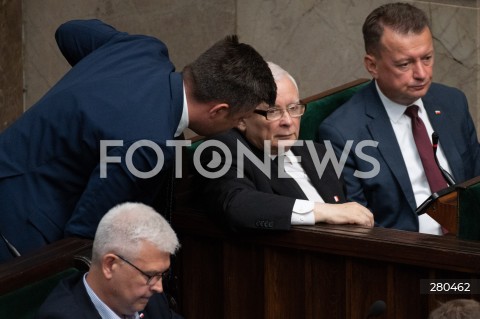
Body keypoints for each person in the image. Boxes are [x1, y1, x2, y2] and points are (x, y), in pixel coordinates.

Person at [0, 19, 276, 261]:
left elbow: (69, 31)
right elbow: (86, 233)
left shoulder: (142, 49)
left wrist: (99, 80)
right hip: (17, 230)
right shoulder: (149, 146)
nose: (239, 125)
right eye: (239, 118)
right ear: (218, 111)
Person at [317, 3, 480, 234]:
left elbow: (476, 179)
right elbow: (359, 227)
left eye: (427, 58)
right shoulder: (342, 133)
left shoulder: (452, 102)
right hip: (406, 257)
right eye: (405, 64)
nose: (421, 74)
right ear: (372, 65)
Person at [195, 62, 373, 231]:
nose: (288, 121)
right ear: (242, 119)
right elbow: (235, 205)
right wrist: (321, 211)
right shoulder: (221, 149)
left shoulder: (318, 153)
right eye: (273, 111)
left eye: (294, 108)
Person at [35, 202, 182, 319]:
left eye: (163, 274)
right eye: (150, 275)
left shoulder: (151, 299)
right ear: (110, 265)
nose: (159, 287)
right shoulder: (61, 315)